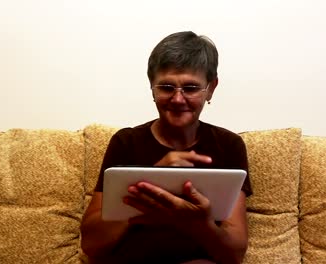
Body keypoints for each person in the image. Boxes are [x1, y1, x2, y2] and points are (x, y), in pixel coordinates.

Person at [80, 31, 251, 264]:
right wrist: (153, 183)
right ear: (152, 86)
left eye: (191, 88)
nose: (178, 99)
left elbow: (234, 254)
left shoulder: (228, 146)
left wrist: (198, 223)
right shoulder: (126, 142)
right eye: (167, 87)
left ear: (211, 88)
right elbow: (91, 245)